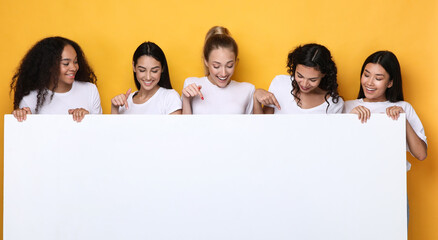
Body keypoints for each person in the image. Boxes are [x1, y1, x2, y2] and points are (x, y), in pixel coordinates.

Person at [343, 51, 427, 224]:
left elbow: (421, 154)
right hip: (353, 188)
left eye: (378, 78)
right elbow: (332, 149)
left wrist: (402, 120)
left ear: (390, 82)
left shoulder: (403, 107)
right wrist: (347, 119)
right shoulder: (347, 106)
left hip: (391, 188)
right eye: (366, 75)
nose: (369, 82)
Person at [11, 36, 101, 122]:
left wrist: (88, 120)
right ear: (48, 66)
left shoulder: (90, 90)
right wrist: (22, 119)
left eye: (75, 62)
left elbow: (100, 132)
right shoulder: (29, 99)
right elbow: (25, 136)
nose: (74, 68)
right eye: (66, 63)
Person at [181, 26, 255, 114]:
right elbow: (184, 126)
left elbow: (252, 127)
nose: (223, 73)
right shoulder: (191, 85)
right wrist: (186, 99)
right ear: (206, 61)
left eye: (229, 66)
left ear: (236, 62)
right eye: (216, 66)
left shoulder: (247, 90)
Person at [253, 43, 343, 114]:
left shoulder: (334, 104)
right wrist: (256, 97)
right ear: (294, 69)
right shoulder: (280, 84)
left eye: (312, 80)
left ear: (324, 74)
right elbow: (262, 127)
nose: (304, 84)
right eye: (300, 76)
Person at [111, 42, 181, 115]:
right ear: (134, 67)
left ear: (162, 68)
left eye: (154, 71)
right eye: (142, 70)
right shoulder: (124, 102)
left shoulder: (170, 98)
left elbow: (175, 126)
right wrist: (114, 108)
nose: (148, 77)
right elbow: (114, 126)